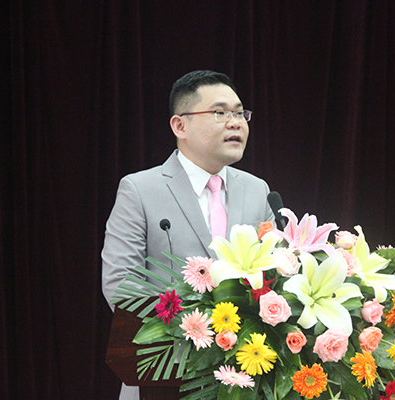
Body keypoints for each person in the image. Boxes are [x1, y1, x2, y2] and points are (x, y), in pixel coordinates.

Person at [101, 70, 275, 400]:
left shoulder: (257, 190)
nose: (236, 123)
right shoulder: (140, 189)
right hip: (164, 373)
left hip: (245, 378)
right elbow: (121, 285)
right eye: (220, 112)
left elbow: (275, 275)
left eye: (240, 113)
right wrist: (201, 330)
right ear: (180, 126)